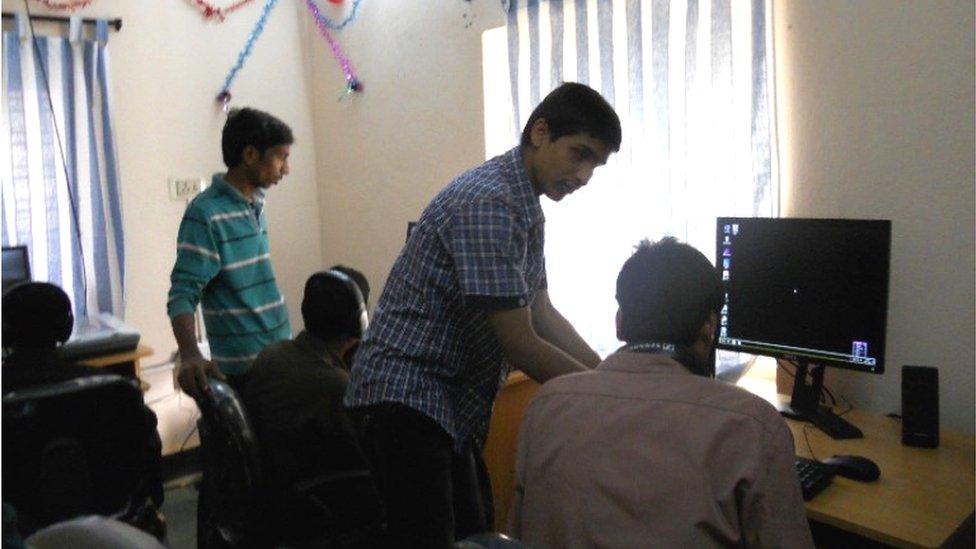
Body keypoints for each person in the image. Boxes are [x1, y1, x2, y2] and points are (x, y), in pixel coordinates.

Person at [344, 82, 622, 547]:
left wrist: (610, 376)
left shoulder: (520, 204)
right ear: (539, 132)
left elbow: (542, 312)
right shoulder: (488, 202)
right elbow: (521, 341)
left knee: (474, 533)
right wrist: (605, 395)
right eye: (580, 154)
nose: (584, 175)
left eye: (595, 163)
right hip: (407, 397)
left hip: (441, 402)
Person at [509, 239, 815, 548]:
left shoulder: (546, 405)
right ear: (710, 326)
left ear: (619, 323)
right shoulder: (753, 425)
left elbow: (517, 533)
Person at [1, 282, 164, 535]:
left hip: (22, 535)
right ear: (65, 329)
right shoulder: (115, 388)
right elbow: (146, 457)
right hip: (114, 529)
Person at [242, 267, 381, 543]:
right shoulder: (336, 386)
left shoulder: (271, 355)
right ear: (359, 323)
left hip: (272, 497)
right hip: (310, 506)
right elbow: (366, 457)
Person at [167, 107, 294, 398]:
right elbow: (182, 294)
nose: (286, 169)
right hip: (245, 370)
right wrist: (190, 354)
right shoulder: (205, 214)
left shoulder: (256, 203)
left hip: (278, 353)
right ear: (250, 155)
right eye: (281, 157)